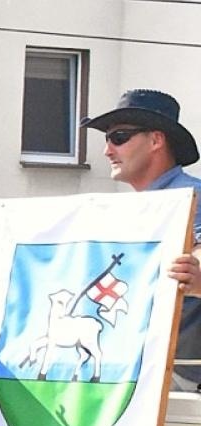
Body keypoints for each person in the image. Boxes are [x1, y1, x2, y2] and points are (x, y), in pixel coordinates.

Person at [82, 90, 201, 387]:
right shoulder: (135, 209)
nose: (107, 150)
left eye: (119, 137)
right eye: (107, 139)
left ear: (156, 140)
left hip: (178, 378)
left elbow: (197, 261)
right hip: (140, 368)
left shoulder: (193, 197)